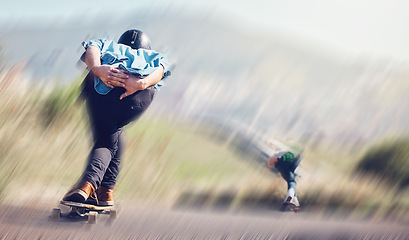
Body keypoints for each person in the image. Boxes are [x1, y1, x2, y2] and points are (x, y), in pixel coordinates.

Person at [62, 29, 171, 206]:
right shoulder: (155, 55)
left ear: (122, 42)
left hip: (106, 91)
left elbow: (91, 50)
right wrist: (141, 83)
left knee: (105, 142)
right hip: (139, 98)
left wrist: (97, 69)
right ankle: (106, 191)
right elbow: (161, 71)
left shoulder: (109, 45)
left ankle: (86, 186)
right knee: (115, 134)